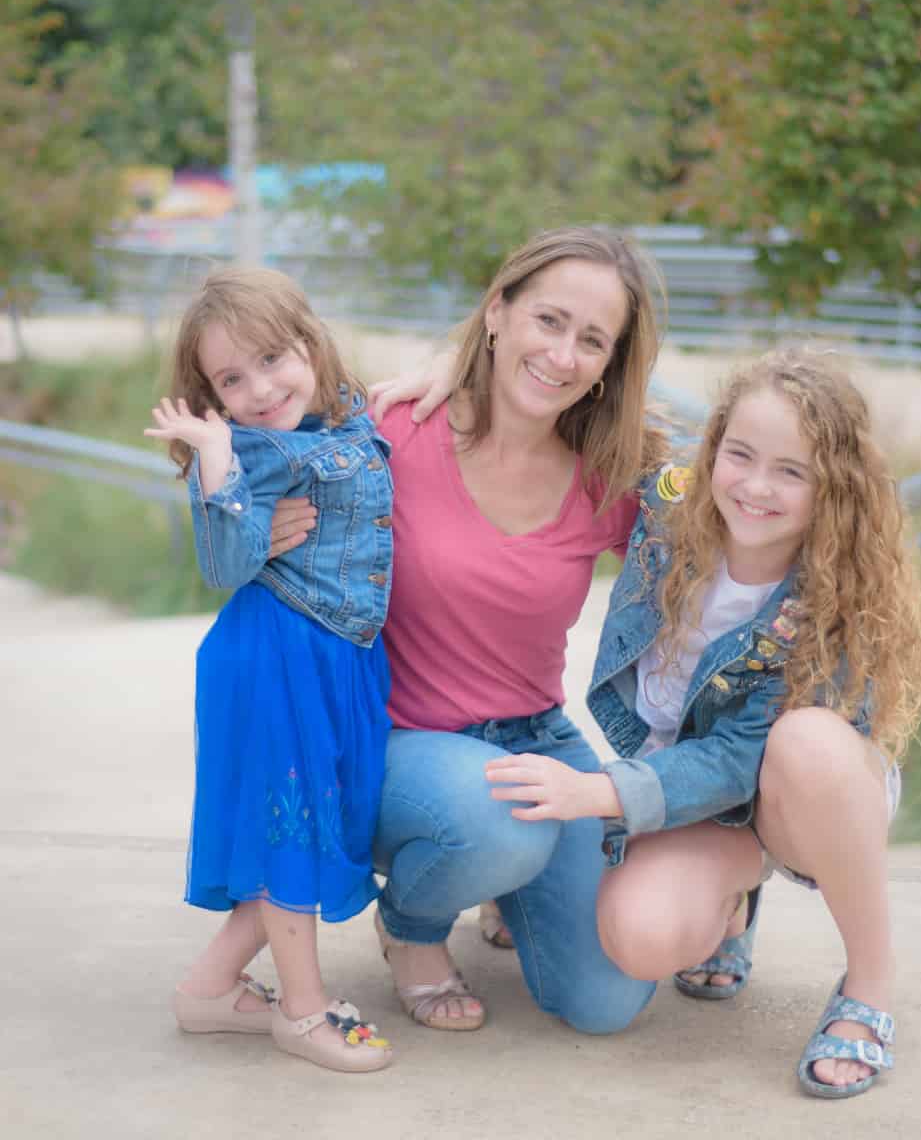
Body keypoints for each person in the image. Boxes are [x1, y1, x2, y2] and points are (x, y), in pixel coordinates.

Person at [485, 350, 921, 1097]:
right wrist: (449, 378)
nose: (756, 487)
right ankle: (732, 902)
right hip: (700, 799)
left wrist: (598, 794)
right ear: (714, 447)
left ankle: (869, 984)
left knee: (807, 741)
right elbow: (566, 415)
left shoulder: (836, 595)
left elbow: (738, 759)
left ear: (834, 488)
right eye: (741, 455)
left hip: (807, 800)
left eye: (792, 472)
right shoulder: (669, 511)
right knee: (639, 939)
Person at [271, 226, 670, 1033]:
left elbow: (721, 526)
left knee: (606, 1002)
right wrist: (256, 521)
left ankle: (503, 885)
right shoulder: (394, 430)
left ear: (610, 364)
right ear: (499, 311)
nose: (563, 356)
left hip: (536, 742)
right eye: (548, 321)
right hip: (400, 750)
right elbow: (253, 432)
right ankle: (412, 927)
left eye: (592, 341)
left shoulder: (606, 477)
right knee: (496, 822)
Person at [146, 268, 395, 1074]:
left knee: (308, 827)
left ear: (311, 344)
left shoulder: (345, 417)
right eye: (230, 379)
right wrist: (216, 458)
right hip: (276, 655)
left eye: (273, 359)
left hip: (336, 657)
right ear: (210, 395)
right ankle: (302, 1010)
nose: (259, 389)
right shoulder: (241, 449)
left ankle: (210, 990)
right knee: (292, 827)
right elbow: (224, 563)